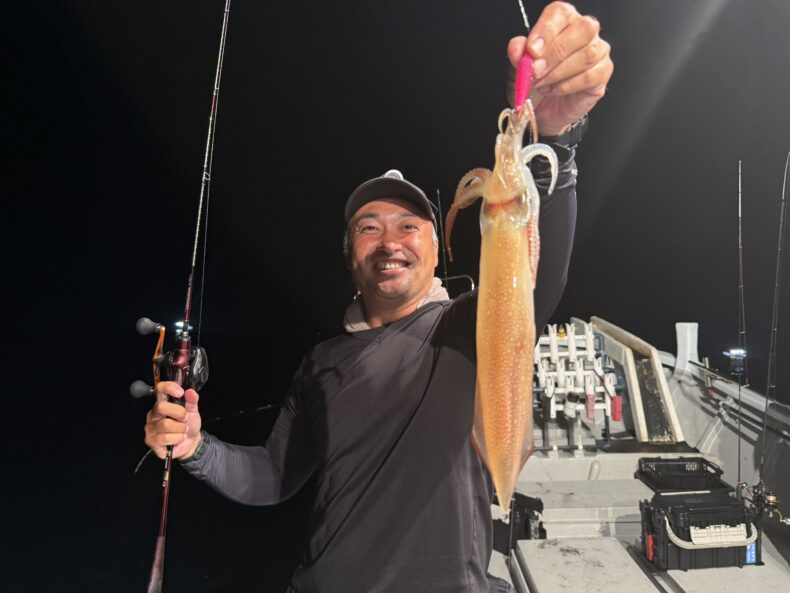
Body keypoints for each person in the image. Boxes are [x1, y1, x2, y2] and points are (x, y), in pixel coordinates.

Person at [144, 3, 613, 592]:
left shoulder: (463, 328)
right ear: (349, 257)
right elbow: (273, 476)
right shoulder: (321, 363)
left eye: (409, 226)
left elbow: (535, 286)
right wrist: (195, 448)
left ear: (438, 250)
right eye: (369, 228)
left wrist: (558, 141)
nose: (390, 242)